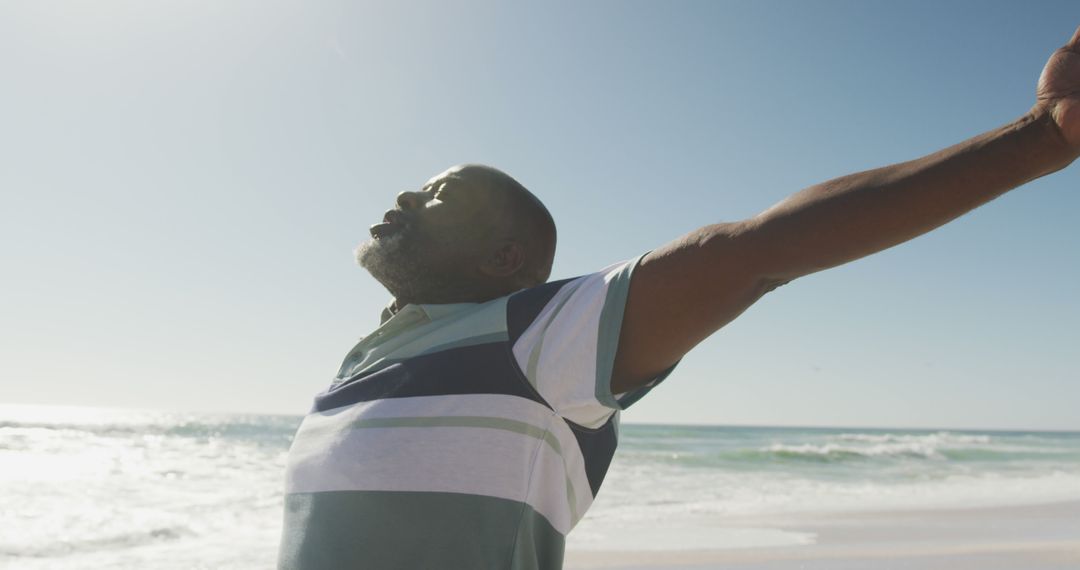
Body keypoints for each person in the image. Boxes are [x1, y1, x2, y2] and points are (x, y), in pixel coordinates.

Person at [278, 26, 1080, 570]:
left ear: (506, 258)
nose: (410, 198)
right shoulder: (360, 367)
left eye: (443, 194)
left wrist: (1041, 137)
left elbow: (751, 252)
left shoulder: (536, 337)